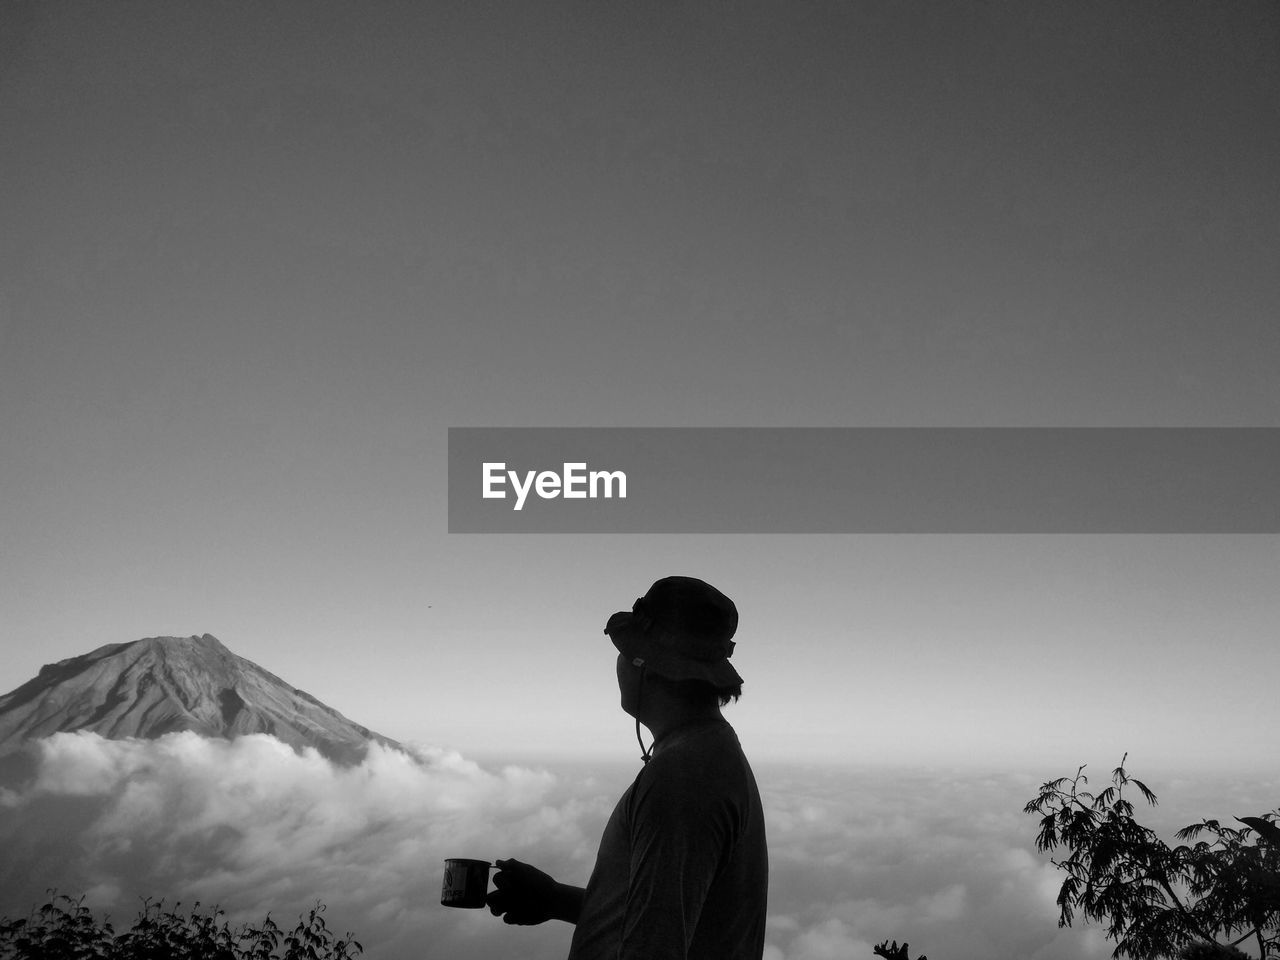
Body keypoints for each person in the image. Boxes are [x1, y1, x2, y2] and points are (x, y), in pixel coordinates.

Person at [486, 575, 769, 960]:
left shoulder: (683, 777)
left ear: (645, 664)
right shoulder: (705, 753)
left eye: (625, 649)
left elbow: (656, 948)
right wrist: (555, 900)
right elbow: (664, 917)